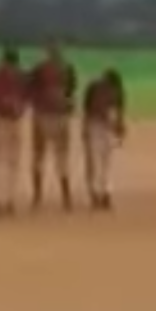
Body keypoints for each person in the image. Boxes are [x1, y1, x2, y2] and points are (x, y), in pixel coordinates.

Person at [27, 41, 77, 211]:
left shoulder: (39, 68)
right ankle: (66, 196)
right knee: (62, 155)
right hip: (61, 113)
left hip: (42, 113)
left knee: (38, 155)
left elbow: (30, 87)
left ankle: (37, 196)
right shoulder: (67, 69)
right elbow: (71, 90)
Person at [0, 48, 27, 217]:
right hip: (15, 119)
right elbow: (26, 96)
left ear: (3, 60)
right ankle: (9, 200)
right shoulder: (21, 76)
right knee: (12, 161)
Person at [81, 68, 126, 210]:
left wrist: (84, 129)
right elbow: (119, 113)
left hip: (95, 125)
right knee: (106, 163)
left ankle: (96, 195)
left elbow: (87, 109)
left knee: (96, 161)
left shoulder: (94, 87)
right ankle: (105, 194)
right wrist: (120, 130)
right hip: (108, 126)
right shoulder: (117, 91)